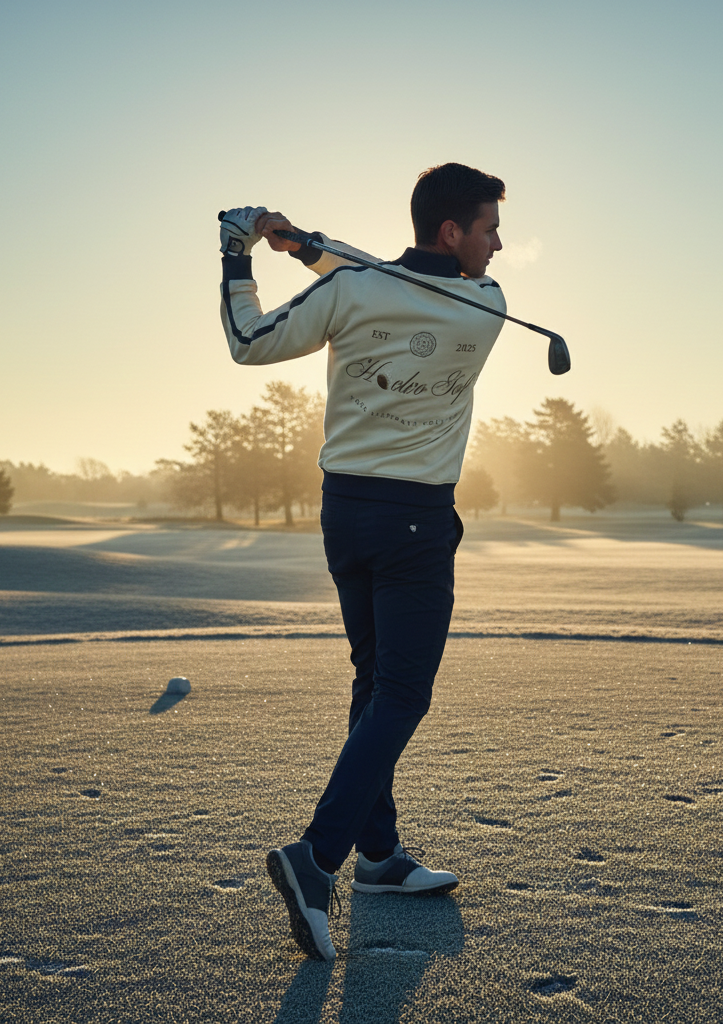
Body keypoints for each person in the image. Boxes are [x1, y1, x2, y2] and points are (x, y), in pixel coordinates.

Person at [218, 163, 506, 961]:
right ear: (453, 233)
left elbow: (251, 342)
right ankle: (317, 859)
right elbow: (381, 273)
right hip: (416, 521)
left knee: (373, 682)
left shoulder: (351, 294)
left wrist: (245, 253)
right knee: (403, 695)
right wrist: (307, 245)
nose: (498, 244)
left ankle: (378, 857)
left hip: (344, 514)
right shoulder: (485, 306)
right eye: (488, 228)